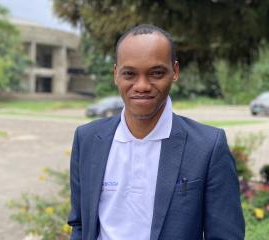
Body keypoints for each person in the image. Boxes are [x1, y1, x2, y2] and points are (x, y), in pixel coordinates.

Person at [68, 24, 245, 240]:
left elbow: (225, 236)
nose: (142, 85)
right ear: (116, 74)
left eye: (156, 73)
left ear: (175, 72)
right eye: (130, 73)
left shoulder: (208, 146)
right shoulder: (87, 139)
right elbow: (80, 223)